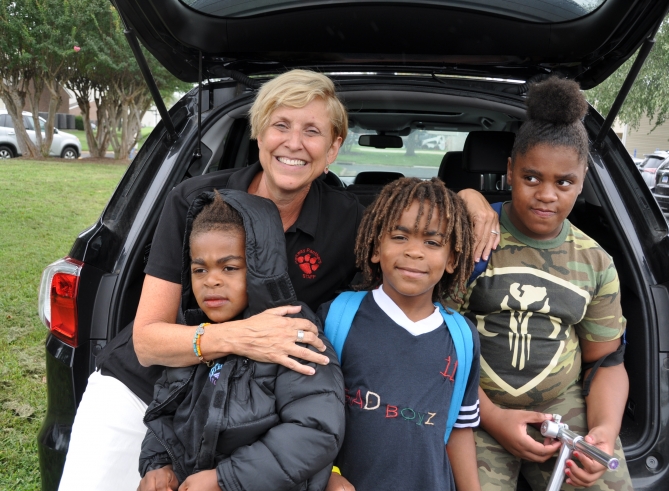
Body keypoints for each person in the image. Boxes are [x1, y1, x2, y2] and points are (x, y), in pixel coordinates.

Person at [59, 69, 500, 491]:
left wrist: (468, 196)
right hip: (144, 388)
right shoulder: (195, 201)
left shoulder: (348, 223)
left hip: (250, 418)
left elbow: (408, 242)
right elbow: (148, 342)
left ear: (333, 147)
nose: (294, 143)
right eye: (281, 125)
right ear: (259, 133)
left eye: (312, 131)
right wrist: (242, 337)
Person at [457, 77, 633, 490]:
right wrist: (493, 418)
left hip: (561, 412)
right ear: (510, 171)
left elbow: (606, 362)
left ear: (582, 178)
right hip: (474, 408)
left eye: (563, 182)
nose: (546, 195)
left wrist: (604, 432)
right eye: (532, 178)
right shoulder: (473, 237)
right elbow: (433, 343)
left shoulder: (595, 261)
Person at [137, 189, 344, 491]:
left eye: (229, 267)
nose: (211, 280)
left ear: (260, 268)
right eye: (199, 269)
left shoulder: (293, 333)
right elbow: (165, 411)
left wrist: (224, 479)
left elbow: (315, 431)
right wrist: (158, 465)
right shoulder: (197, 333)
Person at [320, 177, 482, 491]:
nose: (414, 252)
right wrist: (327, 475)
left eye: (432, 243)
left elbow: (460, 429)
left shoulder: (462, 338)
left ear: (452, 259)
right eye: (399, 236)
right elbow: (305, 416)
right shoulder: (336, 318)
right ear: (375, 247)